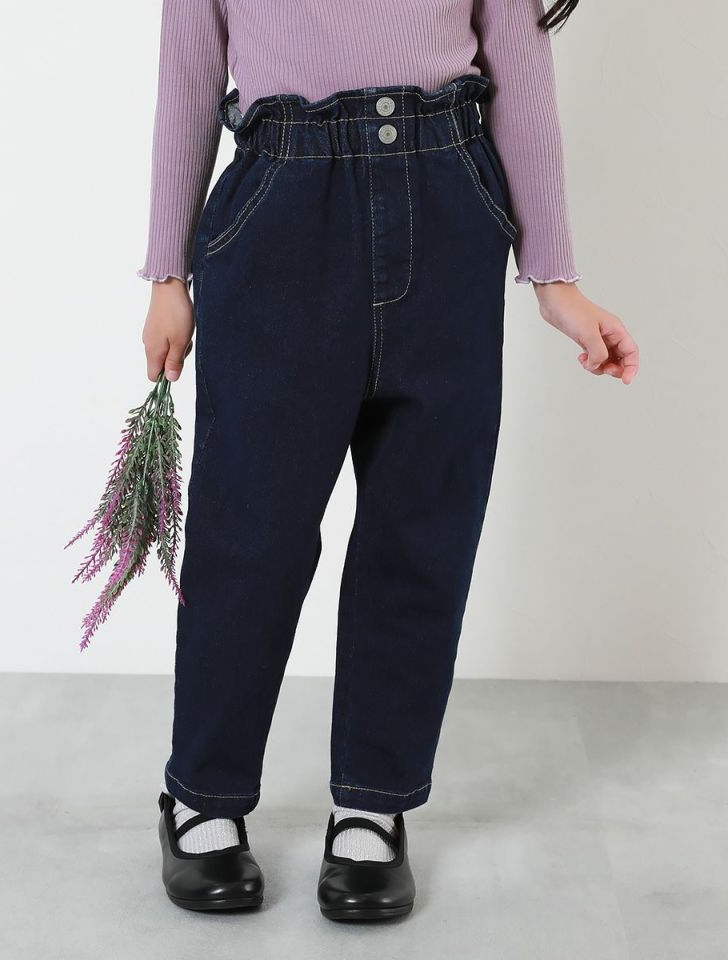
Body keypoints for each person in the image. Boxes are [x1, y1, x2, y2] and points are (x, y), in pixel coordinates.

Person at [140, 0, 640, 920]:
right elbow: (189, 64)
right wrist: (168, 275)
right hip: (279, 209)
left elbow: (519, 64)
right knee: (250, 537)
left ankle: (373, 803)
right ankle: (204, 794)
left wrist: (555, 276)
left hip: (447, 201)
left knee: (421, 534)